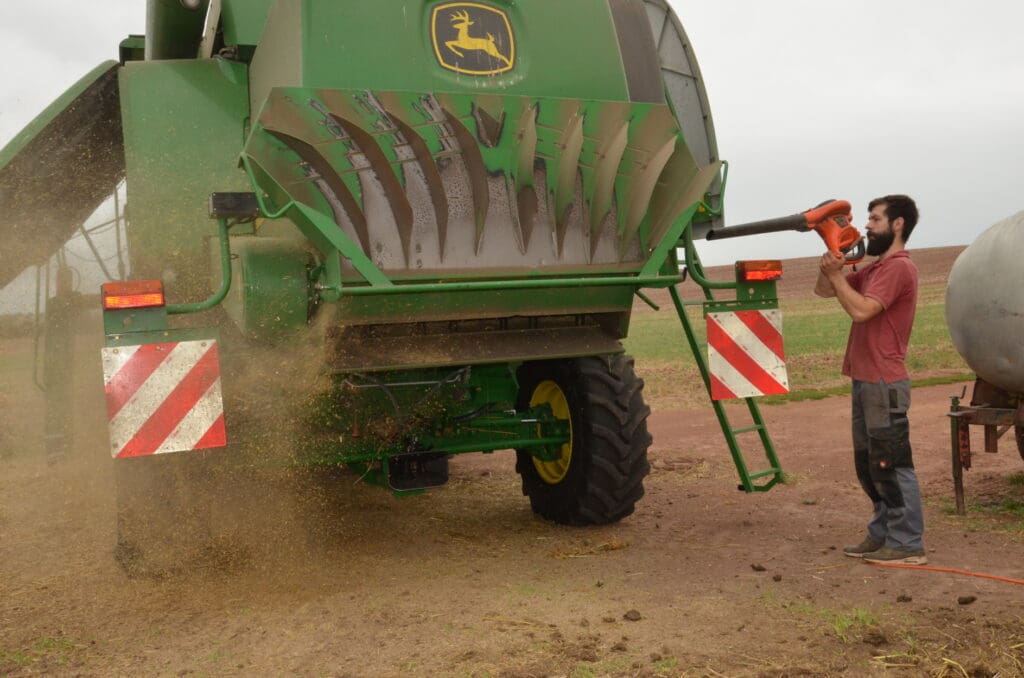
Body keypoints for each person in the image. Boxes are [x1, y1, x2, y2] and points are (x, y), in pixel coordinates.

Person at [814, 194, 925, 565]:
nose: (866, 226)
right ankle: (882, 534)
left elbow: (861, 311)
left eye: (874, 219)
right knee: (869, 464)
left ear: (897, 225)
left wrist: (836, 275)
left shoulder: (898, 269)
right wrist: (830, 254)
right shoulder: (876, 268)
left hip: (884, 380)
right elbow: (825, 290)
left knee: (891, 462)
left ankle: (908, 544)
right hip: (865, 379)